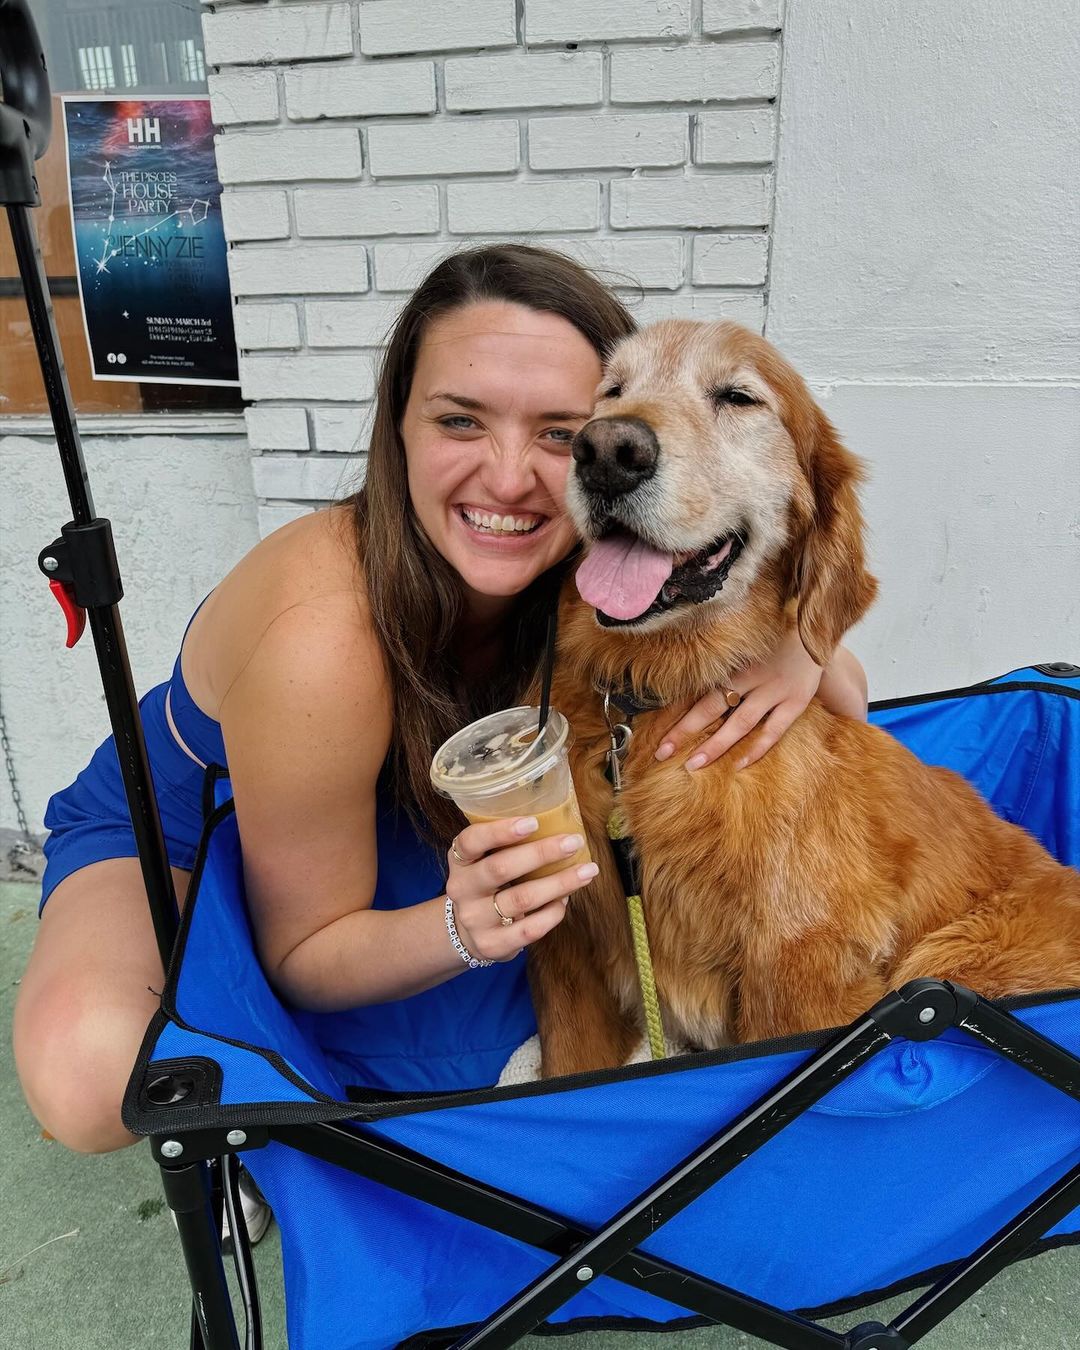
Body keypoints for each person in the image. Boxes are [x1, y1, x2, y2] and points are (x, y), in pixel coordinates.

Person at [13, 244, 868, 1165]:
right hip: (200, 817)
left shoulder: (598, 563)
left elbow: (847, 689)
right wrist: (462, 926)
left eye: (559, 433)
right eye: (460, 421)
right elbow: (307, 947)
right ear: (399, 428)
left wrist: (798, 651)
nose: (507, 480)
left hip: (421, 811)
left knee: (555, 996)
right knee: (94, 1080)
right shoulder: (322, 633)